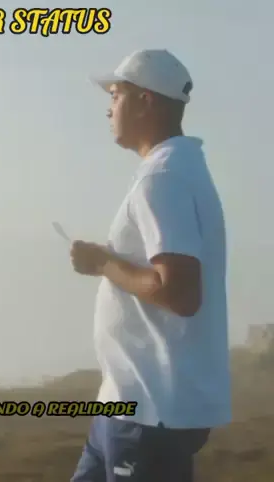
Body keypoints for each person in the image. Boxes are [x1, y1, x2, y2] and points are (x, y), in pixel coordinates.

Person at [69, 49, 231, 482]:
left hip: (148, 413)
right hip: (128, 405)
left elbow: (179, 292)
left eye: (116, 94)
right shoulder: (179, 168)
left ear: (146, 101)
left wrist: (103, 263)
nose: (109, 108)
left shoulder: (163, 178)